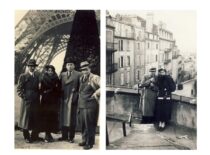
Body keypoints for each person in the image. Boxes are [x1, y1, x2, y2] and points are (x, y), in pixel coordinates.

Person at [17, 59, 42, 143]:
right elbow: (19, 89)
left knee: (36, 117)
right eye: (30, 66)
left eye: (33, 66)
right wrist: (25, 97)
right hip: (27, 100)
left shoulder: (38, 75)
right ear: (28, 67)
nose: (32, 68)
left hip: (36, 99)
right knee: (26, 118)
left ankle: (34, 135)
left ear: (35, 67)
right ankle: (26, 136)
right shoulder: (23, 76)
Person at [78, 61, 100, 150]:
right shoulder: (81, 78)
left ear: (89, 69)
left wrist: (96, 93)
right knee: (83, 124)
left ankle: (89, 143)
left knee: (90, 124)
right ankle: (84, 140)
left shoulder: (95, 77)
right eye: (83, 70)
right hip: (82, 104)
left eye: (86, 69)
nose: (85, 71)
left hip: (91, 104)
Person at [58, 58, 82, 143]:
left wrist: (76, 95)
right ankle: (64, 136)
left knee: (72, 118)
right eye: (68, 64)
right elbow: (58, 86)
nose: (69, 66)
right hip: (64, 98)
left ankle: (71, 137)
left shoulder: (79, 74)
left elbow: (81, 87)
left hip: (73, 98)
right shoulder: (62, 74)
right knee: (64, 117)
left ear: (74, 66)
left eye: (71, 64)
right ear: (66, 66)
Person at [40, 65, 60, 142]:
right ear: (47, 71)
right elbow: (41, 90)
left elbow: (59, 90)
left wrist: (53, 91)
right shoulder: (43, 79)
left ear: (53, 71)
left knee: (52, 118)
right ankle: (46, 135)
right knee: (46, 117)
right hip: (46, 101)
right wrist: (47, 92)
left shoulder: (57, 79)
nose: (50, 72)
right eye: (49, 70)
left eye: (52, 71)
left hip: (53, 101)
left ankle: (49, 134)